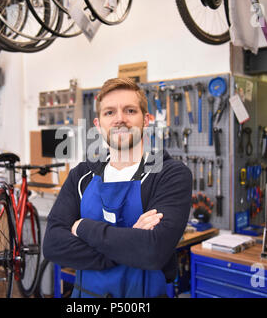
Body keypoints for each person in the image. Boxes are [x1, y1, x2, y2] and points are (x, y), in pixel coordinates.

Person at [43, 78, 192, 298]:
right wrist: (131, 242)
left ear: (146, 120)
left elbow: (153, 252)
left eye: (130, 110)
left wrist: (83, 227)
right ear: (98, 124)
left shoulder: (170, 175)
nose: (120, 119)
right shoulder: (81, 175)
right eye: (109, 112)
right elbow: (53, 245)